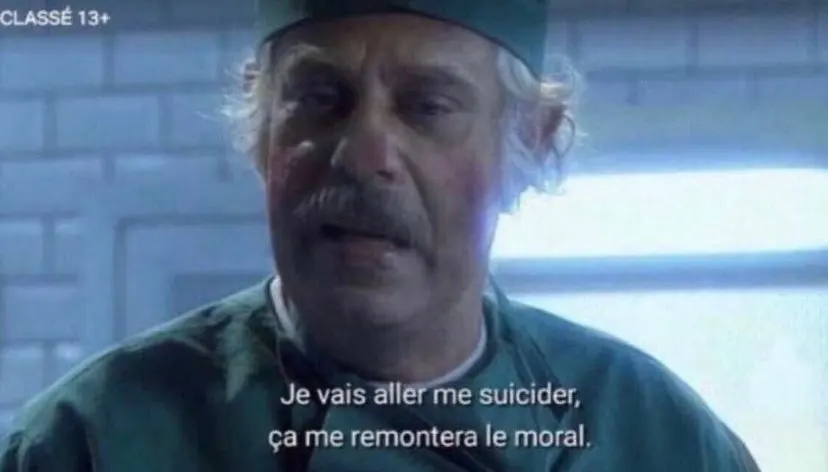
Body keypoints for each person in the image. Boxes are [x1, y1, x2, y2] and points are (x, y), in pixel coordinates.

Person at [1, 1, 761, 471]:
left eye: (427, 106)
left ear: (529, 141)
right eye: (320, 98)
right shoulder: (90, 443)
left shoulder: (655, 436)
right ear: (262, 129)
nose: (364, 154)